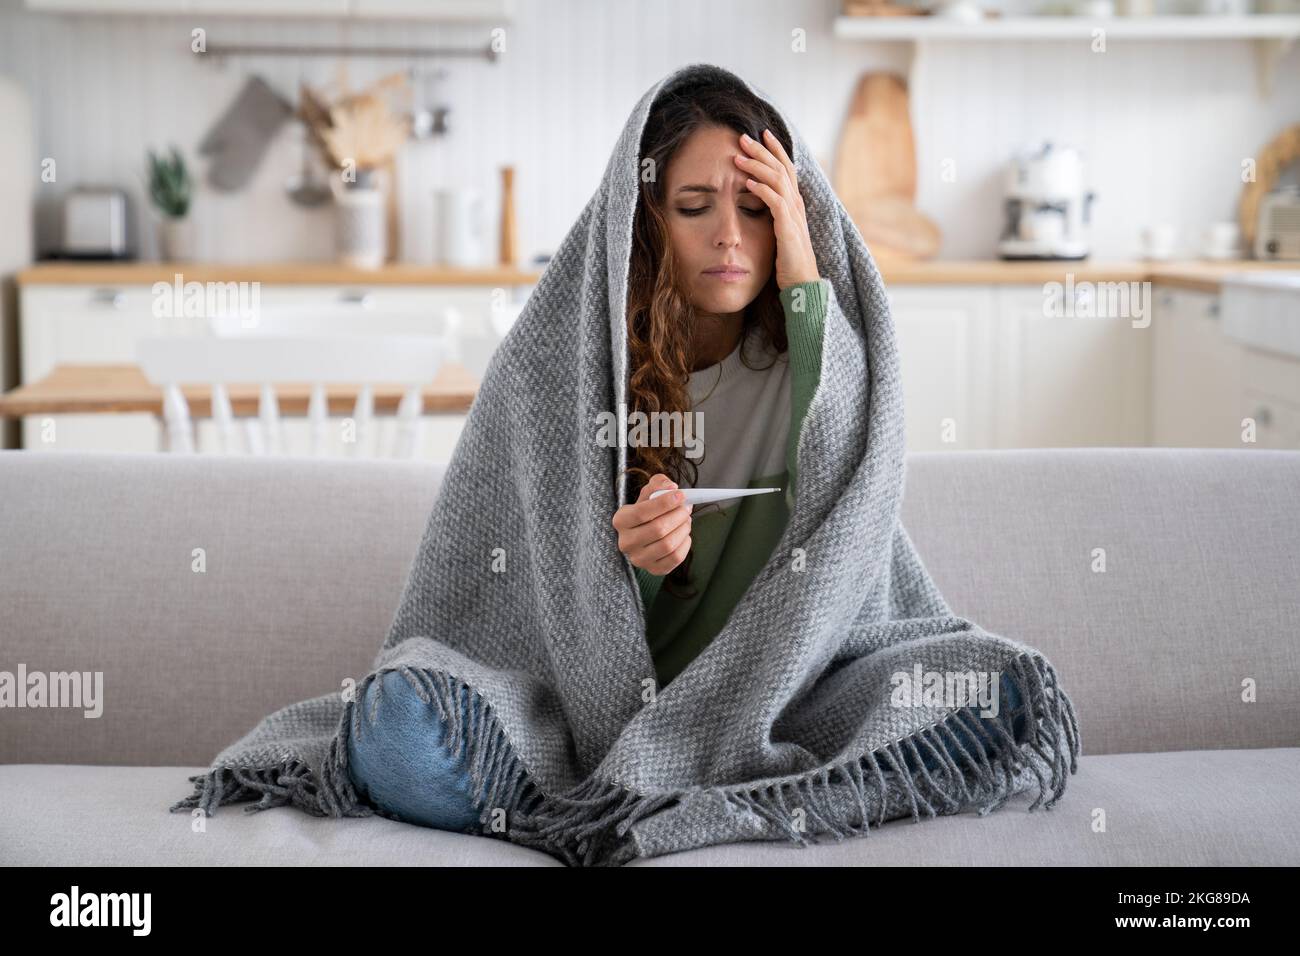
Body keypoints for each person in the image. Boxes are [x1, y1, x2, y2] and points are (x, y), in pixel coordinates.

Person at [346, 75, 1026, 834]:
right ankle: (675, 792)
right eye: (695, 208)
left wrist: (804, 270)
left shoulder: (815, 364)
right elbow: (525, 607)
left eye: (758, 209)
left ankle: (696, 786)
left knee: (996, 694)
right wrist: (631, 565)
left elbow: (844, 480)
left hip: (779, 696)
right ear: (644, 223)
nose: (729, 236)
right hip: (580, 721)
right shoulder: (563, 368)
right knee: (400, 729)